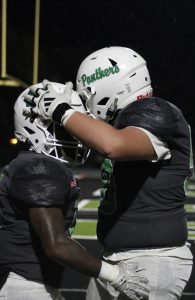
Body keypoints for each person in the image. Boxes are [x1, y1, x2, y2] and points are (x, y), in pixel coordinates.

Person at [24, 46, 194, 300]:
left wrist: (62, 111)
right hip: (121, 258)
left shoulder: (154, 110)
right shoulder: (128, 119)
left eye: (88, 94)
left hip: (151, 258)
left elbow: (113, 145)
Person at [0, 81, 150, 300]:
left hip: (29, 282)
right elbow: (56, 245)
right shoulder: (39, 167)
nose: (75, 133)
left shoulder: (37, 165)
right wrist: (114, 274)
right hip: (23, 285)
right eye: (63, 127)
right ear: (36, 124)